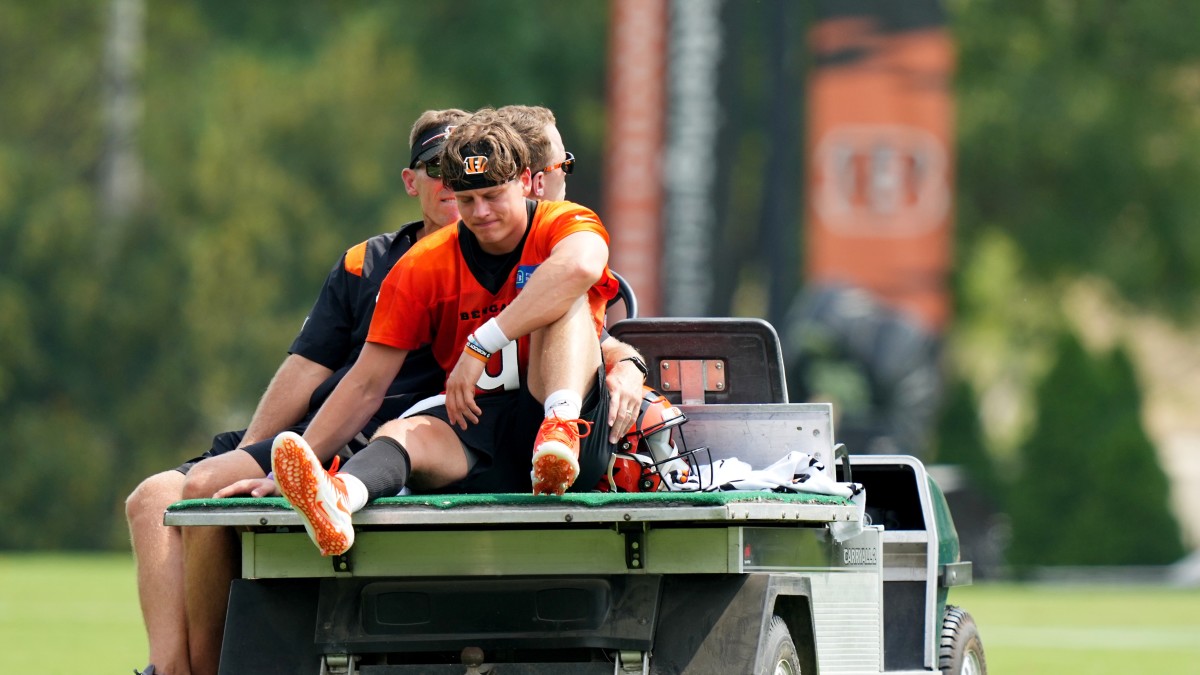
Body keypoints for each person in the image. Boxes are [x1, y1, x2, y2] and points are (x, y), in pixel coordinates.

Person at [124, 108, 469, 675]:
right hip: (316, 427)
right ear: (412, 182)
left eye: (464, 169)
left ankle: (212, 668)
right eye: (436, 168)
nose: (452, 182)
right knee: (151, 498)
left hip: (378, 438)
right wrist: (257, 452)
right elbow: (306, 368)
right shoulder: (368, 261)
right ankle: (169, 669)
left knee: (208, 489)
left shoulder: (486, 259)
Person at [268, 109, 621, 557]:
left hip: (570, 432)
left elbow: (581, 267)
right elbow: (365, 383)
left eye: (494, 195)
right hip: (480, 423)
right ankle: (341, 499)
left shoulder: (562, 223)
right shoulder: (422, 263)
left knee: (560, 293)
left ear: (527, 181)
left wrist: (481, 345)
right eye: (469, 199)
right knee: (402, 432)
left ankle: (560, 427)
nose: (481, 213)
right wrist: (288, 470)